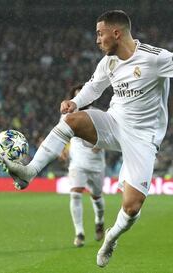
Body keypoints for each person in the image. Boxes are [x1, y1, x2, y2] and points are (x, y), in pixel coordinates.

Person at [2, 10, 173, 267]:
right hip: (113, 123)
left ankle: (111, 238)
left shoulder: (153, 58)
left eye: (100, 34)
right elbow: (94, 86)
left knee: (133, 206)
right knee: (71, 121)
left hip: (143, 138)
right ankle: (30, 171)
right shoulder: (108, 63)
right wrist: (74, 102)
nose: (97, 40)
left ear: (117, 33)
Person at [60, 84, 106, 247]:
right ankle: (79, 233)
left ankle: (99, 221)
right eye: (76, 95)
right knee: (75, 194)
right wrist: (62, 149)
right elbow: (62, 134)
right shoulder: (68, 116)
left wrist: (101, 143)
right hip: (77, 162)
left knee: (97, 197)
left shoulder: (98, 115)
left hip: (96, 164)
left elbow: (109, 134)